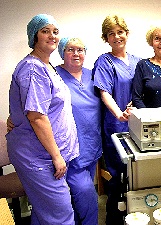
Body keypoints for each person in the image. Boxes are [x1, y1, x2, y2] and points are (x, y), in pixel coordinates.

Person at [6, 14, 79, 225]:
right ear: (34, 36)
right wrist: (56, 156)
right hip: (40, 158)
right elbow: (37, 117)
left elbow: (30, 105)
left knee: (44, 211)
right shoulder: (33, 68)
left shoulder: (47, 67)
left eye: (55, 31)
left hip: (46, 155)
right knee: (61, 216)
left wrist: (15, 116)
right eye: (45, 31)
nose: (52, 36)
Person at [92, 15, 141, 225]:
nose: (116, 36)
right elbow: (104, 92)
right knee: (118, 180)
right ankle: (114, 219)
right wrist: (119, 113)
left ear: (127, 34)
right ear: (106, 38)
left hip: (138, 127)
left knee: (138, 178)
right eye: (111, 33)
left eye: (120, 32)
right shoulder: (104, 61)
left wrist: (138, 107)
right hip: (116, 126)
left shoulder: (139, 61)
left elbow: (143, 91)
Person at [57, 37, 102, 225]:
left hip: (91, 147)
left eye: (80, 49)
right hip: (69, 151)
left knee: (77, 200)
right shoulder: (54, 75)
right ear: (62, 52)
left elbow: (108, 98)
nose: (76, 54)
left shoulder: (93, 75)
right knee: (87, 197)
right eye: (70, 49)